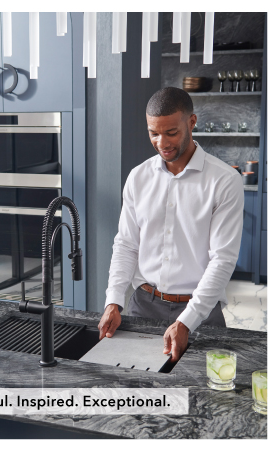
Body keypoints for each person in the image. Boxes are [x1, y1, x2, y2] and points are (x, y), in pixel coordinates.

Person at [98, 87, 244, 361]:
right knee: (137, 393)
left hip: (201, 310)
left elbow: (222, 259)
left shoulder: (224, 181)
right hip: (143, 305)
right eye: (154, 133)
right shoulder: (138, 177)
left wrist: (186, 321)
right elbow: (126, 244)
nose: (161, 142)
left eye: (171, 133)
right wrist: (114, 299)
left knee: (205, 393)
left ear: (191, 122)